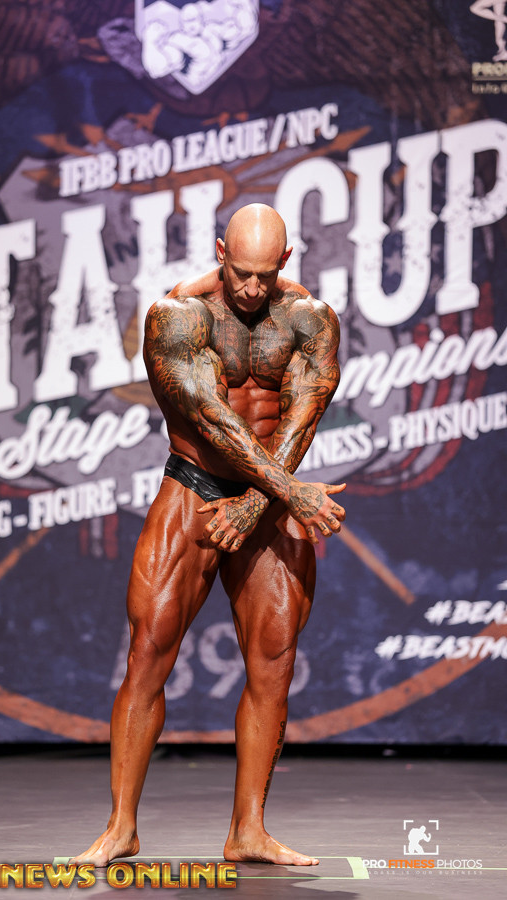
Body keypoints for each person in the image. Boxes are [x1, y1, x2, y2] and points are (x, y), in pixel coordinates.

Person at [71, 203, 346, 867]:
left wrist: (261, 502)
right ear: (220, 252)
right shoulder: (178, 317)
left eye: (263, 275)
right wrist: (287, 493)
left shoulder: (310, 319)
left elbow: (303, 417)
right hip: (195, 488)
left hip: (268, 500)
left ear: (285, 261)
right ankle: (121, 828)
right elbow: (210, 417)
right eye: (239, 271)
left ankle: (248, 831)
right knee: (148, 652)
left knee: (274, 662)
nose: (250, 287)